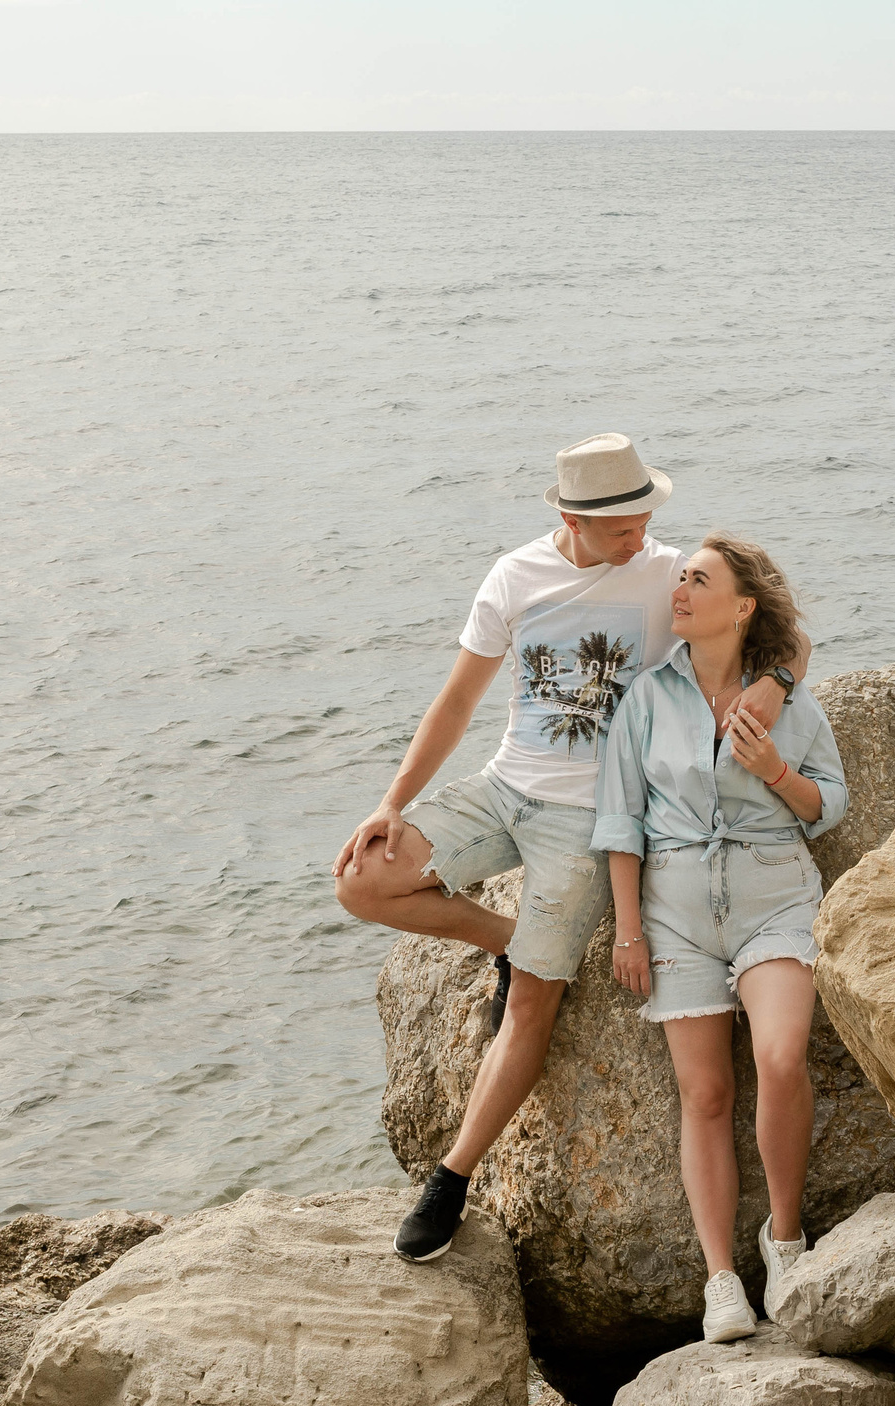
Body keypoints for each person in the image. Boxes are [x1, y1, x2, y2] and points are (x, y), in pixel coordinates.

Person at [332, 434, 808, 1263]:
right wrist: (391, 802)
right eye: (622, 527)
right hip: (504, 789)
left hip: (587, 824)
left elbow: (785, 631)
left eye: (644, 518)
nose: (641, 538)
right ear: (569, 520)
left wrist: (774, 686)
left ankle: (450, 1178)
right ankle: (511, 945)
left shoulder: (668, 576)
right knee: (362, 882)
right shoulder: (515, 577)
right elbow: (455, 701)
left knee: (531, 1009)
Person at [592, 534, 847, 1342]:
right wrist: (628, 927)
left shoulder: (789, 700)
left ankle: (784, 1238)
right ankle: (720, 1280)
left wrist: (775, 768)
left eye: (698, 580)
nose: (680, 590)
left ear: (741, 606)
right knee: (703, 1094)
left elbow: (828, 806)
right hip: (673, 909)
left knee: (780, 1056)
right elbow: (619, 821)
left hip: (773, 893)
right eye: (678, 578)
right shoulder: (645, 700)